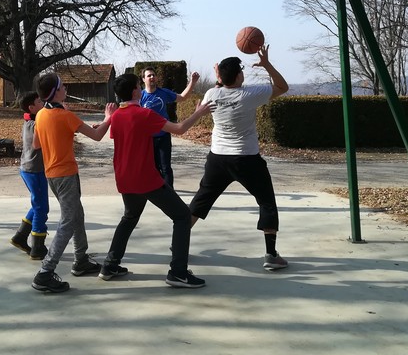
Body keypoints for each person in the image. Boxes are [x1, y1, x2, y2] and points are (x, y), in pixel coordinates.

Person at [101, 73, 216, 288]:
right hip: (145, 179)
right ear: (136, 91)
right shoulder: (144, 114)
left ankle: (109, 265)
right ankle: (178, 273)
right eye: (139, 85)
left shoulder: (116, 116)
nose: (141, 87)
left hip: (124, 178)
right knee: (182, 216)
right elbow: (179, 129)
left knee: (130, 217)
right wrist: (198, 112)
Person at [189, 46, 290, 271]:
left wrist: (220, 77)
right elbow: (283, 87)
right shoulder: (249, 95)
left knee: (201, 201)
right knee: (266, 202)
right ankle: (271, 255)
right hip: (246, 159)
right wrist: (267, 65)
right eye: (241, 71)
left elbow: (219, 89)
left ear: (220, 77)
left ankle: (179, 243)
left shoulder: (211, 94)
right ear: (238, 76)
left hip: (217, 158)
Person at [30, 72, 116, 294]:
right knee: (68, 221)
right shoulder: (65, 116)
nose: (65, 88)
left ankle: (81, 260)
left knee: (77, 215)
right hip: (66, 175)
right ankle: (45, 273)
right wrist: (108, 118)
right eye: (62, 86)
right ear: (55, 92)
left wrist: (61, 131)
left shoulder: (41, 115)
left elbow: (37, 144)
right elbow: (97, 136)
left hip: (51, 175)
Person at [140, 67, 200, 189]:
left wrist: (192, 82)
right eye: (149, 75)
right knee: (154, 167)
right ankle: (158, 190)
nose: (152, 77)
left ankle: (169, 192)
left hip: (163, 136)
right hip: (148, 138)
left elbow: (182, 97)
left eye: (153, 75)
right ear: (143, 79)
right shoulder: (140, 96)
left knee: (165, 166)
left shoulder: (163, 92)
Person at [10, 92, 50, 260]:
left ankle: (20, 236)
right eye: (39, 101)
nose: (43, 103)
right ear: (31, 108)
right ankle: (37, 247)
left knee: (38, 204)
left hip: (30, 169)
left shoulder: (30, 121)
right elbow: (40, 142)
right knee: (41, 208)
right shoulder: (34, 124)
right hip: (33, 170)